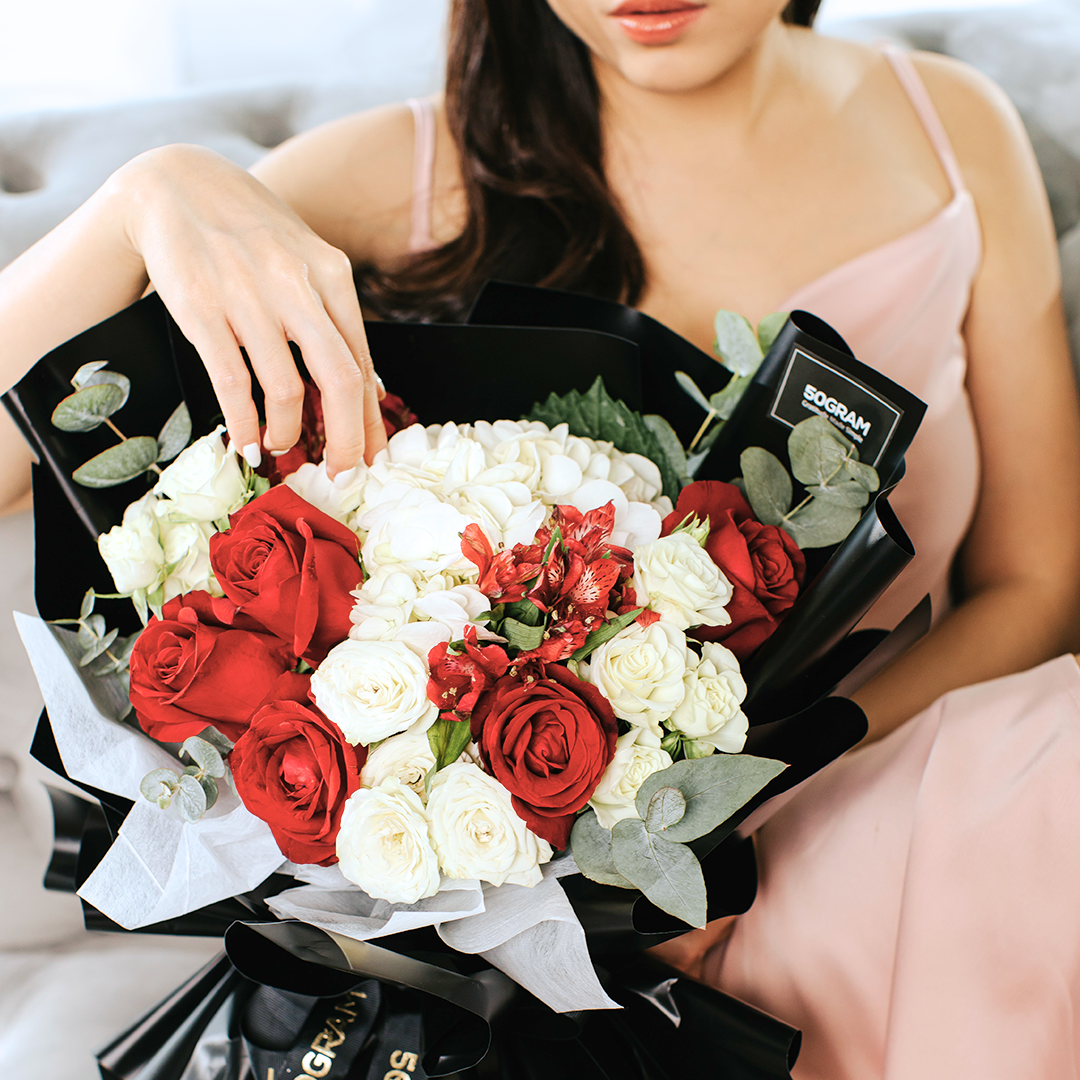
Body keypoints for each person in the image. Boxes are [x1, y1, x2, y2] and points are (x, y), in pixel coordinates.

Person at [1, 0, 1079, 1075]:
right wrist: (143, 198)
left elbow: (1035, 580)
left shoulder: (948, 128)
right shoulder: (400, 173)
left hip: (886, 789)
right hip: (544, 943)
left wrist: (737, 814)